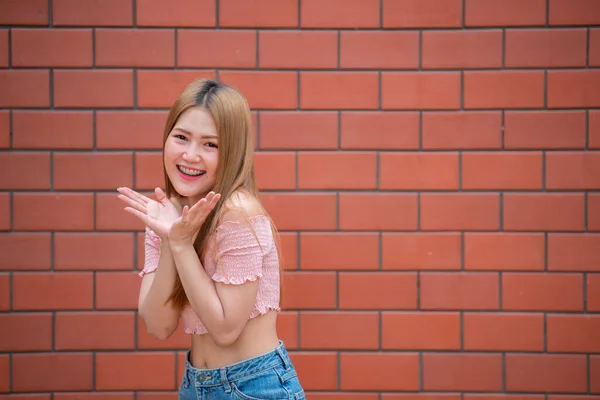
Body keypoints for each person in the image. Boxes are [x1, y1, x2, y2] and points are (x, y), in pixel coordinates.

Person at [116, 78, 305, 399]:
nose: (190, 155)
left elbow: (225, 330)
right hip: (195, 385)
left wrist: (180, 244)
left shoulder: (238, 212)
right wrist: (168, 240)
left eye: (210, 144)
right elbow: (158, 326)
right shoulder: (166, 214)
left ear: (233, 151)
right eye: (181, 137)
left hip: (254, 386)